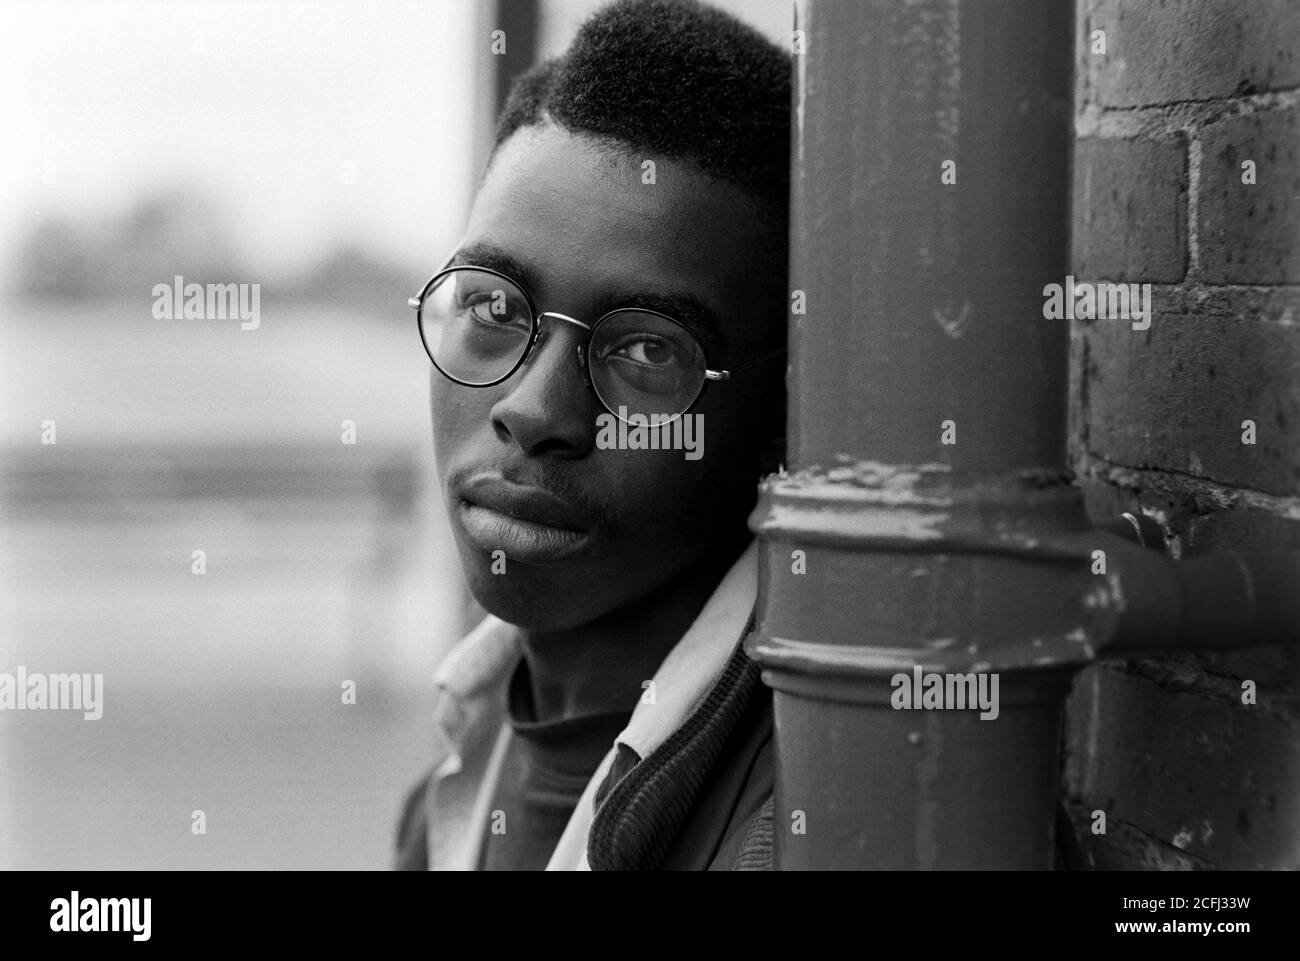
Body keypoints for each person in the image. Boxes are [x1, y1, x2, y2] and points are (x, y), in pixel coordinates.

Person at [393, 0, 791, 871]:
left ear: (776, 416)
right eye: (494, 306)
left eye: (649, 348)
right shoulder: (446, 793)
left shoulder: (822, 822)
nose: (534, 410)